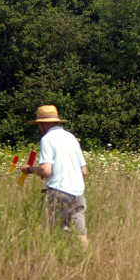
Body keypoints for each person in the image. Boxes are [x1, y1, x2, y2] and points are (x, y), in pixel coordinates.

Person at [21, 105, 89, 247]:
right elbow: (84, 171)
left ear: (43, 123)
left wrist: (29, 169)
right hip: (77, 193)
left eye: (39, 125)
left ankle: (53, 262)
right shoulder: (72, 138)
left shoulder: (47, 139)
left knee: (51, 232)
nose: (39, 128)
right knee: (80, 234)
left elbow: (46, 171)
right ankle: (87, 261)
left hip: (58, 192)